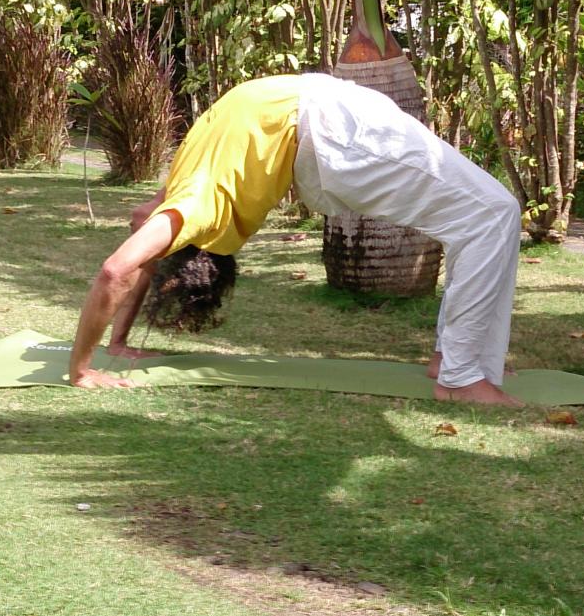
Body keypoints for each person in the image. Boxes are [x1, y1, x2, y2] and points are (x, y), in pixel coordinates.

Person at [67, 73, 524, 406]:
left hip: (326, 121)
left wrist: (109, 349)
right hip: (326, 127)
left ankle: (456, 361)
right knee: (491, 213)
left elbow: (135, 230)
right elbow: (119, 268)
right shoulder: (199, 207)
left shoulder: (190, 205)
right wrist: (88, 367)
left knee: (487, 215)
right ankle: (460, 374)